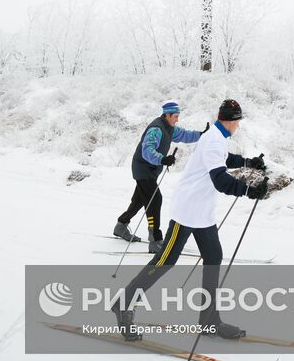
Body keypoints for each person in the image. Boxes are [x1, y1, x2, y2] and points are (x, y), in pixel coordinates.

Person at [114, 97, 268, 340]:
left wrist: (247, 162)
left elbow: (222, 159)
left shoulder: (214, 136)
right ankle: (123, 305)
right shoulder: (213, 140)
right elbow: (219, 179)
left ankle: (209, 321)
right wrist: (248, 190)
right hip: (187, 211)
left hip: (202, 213)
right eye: (238, 122)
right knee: (166, 259)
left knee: (213, 257)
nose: (238, 126)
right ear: (232, 121)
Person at [113, 100, 208, 254]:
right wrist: (162, 159)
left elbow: (184, 134)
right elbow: (147, 150)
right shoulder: (156, 129)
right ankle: (155, 240)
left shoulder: (169, 127)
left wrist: (201, 135)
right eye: (175, 116)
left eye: (178, 116)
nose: (177, 119)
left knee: (139, 200)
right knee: (155, 200)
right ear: (167, 115)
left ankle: (121, 225)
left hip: (151, 170)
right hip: (143, 169)